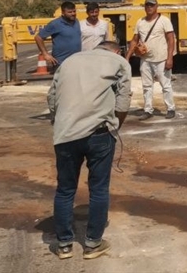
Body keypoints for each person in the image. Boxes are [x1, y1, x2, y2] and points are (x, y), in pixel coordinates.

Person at [47, 40, 132, 260]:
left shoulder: (69, 61)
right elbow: (122, 104)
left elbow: (52, 99)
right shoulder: (119, 62)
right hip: (99, 133)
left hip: (66, 134)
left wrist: (62, 123)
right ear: (117, 50)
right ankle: (93, 243)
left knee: (65, 189)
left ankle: (64, 244)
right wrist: (115, 127)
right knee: (99, 189)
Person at [125, 0, 176, 120]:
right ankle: (148, 110)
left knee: (166, 85)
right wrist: (127, 57)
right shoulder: (140, 22)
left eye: (152, 5)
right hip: (146, 60)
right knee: (147, 86)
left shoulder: (164, 21)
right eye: (147, 5)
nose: (149, 7)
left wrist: (170, 58)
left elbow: (171, 39)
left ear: (156, 6)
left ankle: (170, 108)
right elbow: (134, 40)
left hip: (161, 59)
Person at [35, 2, 82, 70]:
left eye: (74, 11)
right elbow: (38, 37)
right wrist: (45, 54)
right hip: (61, 63)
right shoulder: (55, 24)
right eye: (69, 12)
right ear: (63, 12)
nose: (73, 14)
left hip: (76, 62)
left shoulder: (76, 21)